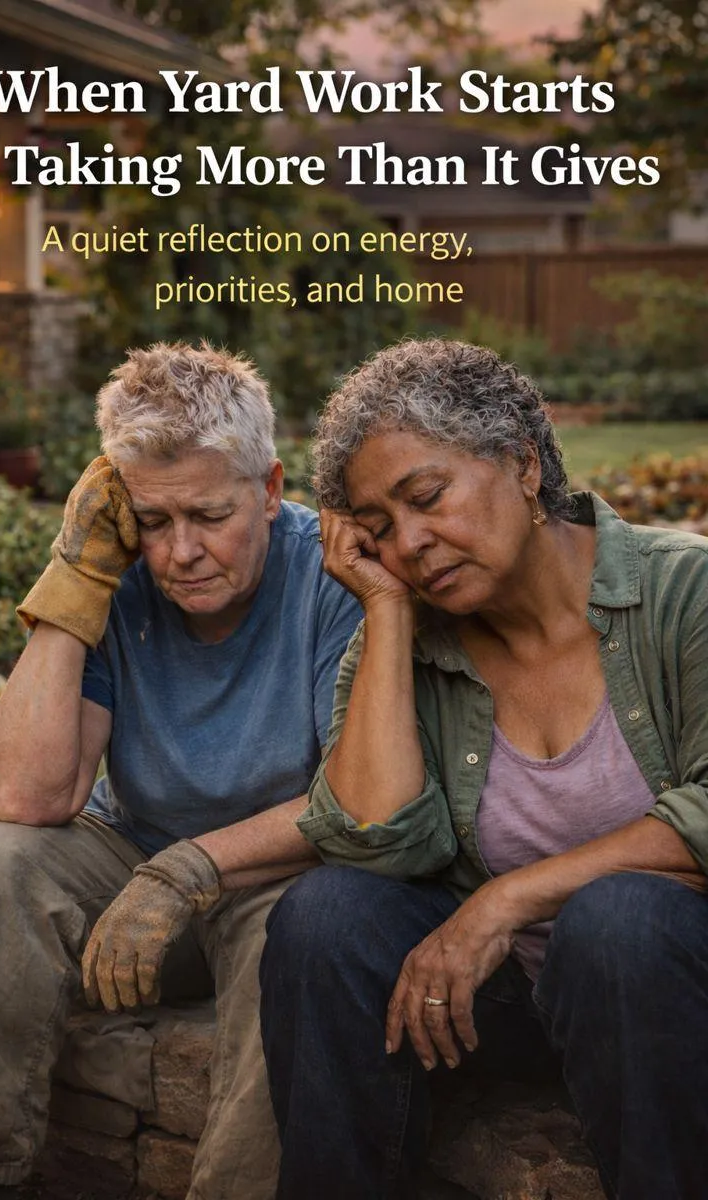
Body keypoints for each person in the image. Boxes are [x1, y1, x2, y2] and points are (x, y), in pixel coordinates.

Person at [0, 341, 361, 1200]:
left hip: (277, 878)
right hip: (134, 863)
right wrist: (75, 575)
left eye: (209, 515)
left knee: (300, 929)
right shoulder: (114, 576)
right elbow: (23, 795)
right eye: (153, 520)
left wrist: (188, 870)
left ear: (269, 490)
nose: (181, 551)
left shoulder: (331, 579)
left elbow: (355, 801)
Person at [259, 337, 708, 1200]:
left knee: (617, 921)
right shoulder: (407, 642)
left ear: (523, 465)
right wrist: (386, 610)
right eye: (379, 528)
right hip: (510, 1003)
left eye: (427, 497)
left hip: (666, 991)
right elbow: (372, 844)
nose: (411, 542)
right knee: (325, 917)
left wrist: (507, 899)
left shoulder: (683, 592)